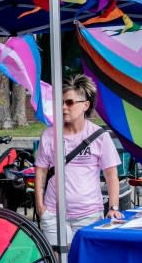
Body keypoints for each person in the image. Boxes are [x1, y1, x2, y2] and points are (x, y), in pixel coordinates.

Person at [34, 73, 121, 247]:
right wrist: (40, 207)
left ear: (85, 105)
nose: (64, 107)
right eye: (61, 102)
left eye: (70, 102)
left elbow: (112, 176)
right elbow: (41, 170)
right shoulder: (50, 134)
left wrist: (113, 208)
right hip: (53, 215)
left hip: (89, 215)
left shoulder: (99, 136)